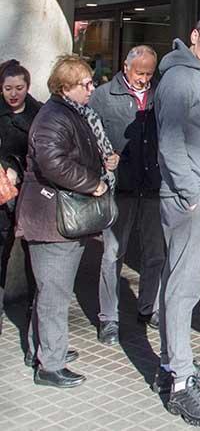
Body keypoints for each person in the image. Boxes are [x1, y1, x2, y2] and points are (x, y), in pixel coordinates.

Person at [16, 55, 119, 387]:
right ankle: (51, 364)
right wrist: (94, 183)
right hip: (51, 219)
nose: (92, 88)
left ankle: (44, 349)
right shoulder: (54, 117)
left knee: (51, 290)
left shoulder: (65, 112)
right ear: (65, 87)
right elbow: (53, 162)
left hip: (58, 218)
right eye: (85, 84)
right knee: (54, 293)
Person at [153, 15, 200, 425]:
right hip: (188, 199)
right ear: (195, 36)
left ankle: (172, 364)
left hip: (195, 193)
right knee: (183, 288)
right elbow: (170, 142)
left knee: (179, 282)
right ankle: (180, 383)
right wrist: (192, 193)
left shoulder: (193, 75)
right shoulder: (182, 79)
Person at [91, 46, 165, 345]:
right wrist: (103, 159)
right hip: (120, 187)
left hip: (153, 186)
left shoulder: (159, 95)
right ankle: (108, 318)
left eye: (149, 73)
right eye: (139, 73)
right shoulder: (104, 96)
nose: (144, 79)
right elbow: (89, 135)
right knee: (112, 254)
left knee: (155, 253)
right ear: (125, 66)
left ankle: (149, 307)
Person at [0, 59, 41, 306]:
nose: (13, 94)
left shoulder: (40, 112)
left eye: (19, 88)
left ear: (27, 86)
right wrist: (6, 167)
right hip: (3, 193)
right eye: (8, 89)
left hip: (31, 192)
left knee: (32, 252)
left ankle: (32, 310)